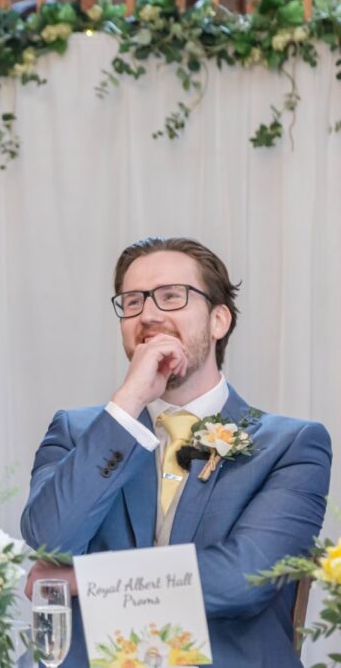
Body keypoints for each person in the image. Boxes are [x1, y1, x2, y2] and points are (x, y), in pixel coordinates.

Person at [19, 237, 332, 667]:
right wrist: (128, 403)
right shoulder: (77, 431)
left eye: (171, 296)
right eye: (132, 302)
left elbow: (242, 579)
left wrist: (84, 581)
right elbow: (50, 540)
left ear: (219, 320)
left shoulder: (292, 445)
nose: (148, 314)